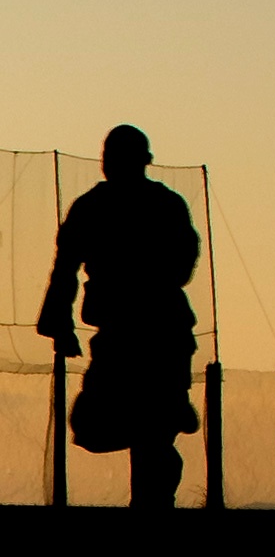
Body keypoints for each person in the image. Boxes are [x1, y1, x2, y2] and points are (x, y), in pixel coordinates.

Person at [37, 124, 201, 509]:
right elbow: (66, 268)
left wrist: (61, 324)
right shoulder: (153, 205)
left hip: (151, 333)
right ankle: (155, 487)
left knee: (149, 429)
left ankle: (152, 498)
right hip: (140, 333)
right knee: (115, 423)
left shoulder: (104, 206)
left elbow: (66, 269)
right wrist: (59, 324)